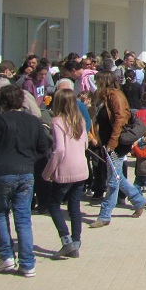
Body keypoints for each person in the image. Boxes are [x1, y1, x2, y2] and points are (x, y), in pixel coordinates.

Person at [0, 85, 50, 277]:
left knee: (0, 213)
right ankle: (28, 262)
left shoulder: (0, 121)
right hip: (26, 171)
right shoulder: (33, 121)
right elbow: (43, 146)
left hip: (3, 171)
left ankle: (6, 255)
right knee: (23, 218)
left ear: (2, 102)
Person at [91, 71, 146, 227]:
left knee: (113, 179)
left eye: (98, 81)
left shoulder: (116, 96)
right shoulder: (102, 96)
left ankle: (105, 215)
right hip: (107, 142)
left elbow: (120, 120)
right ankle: (138, 200)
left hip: (117, 144)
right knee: (116, 175)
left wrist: (112, 143)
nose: (95, 84)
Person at [42, 89, 89, 261]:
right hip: (81, 167)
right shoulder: (80, 121)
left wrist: (47, 172)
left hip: (65, 168)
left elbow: (59, 149)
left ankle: (66, 239)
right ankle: (76, 242)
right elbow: (84, 144)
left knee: (54, 204)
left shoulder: (57, 121)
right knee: (74, 206)